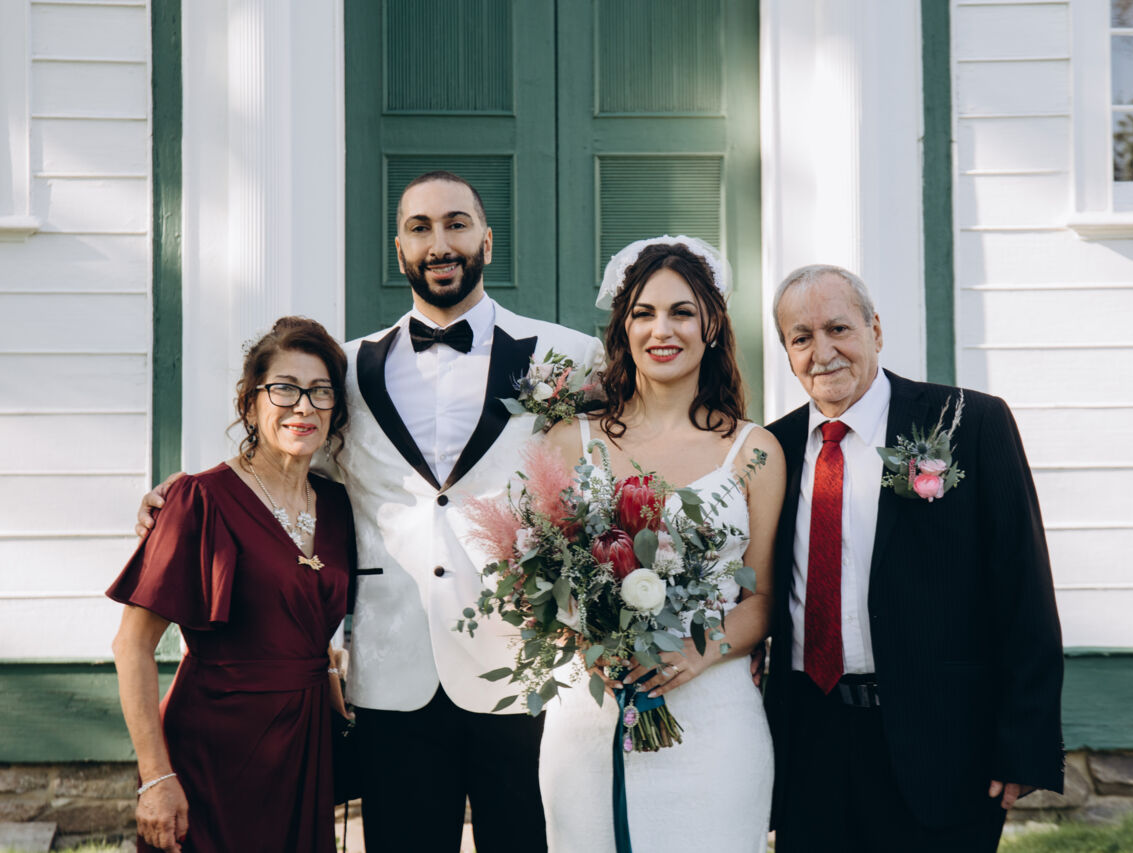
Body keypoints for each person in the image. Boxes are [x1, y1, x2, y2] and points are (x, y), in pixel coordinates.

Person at [137, 172, 604, 852]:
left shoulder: (569, 357)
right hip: (392, 676)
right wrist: (181, 491)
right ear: (399, 248)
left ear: (486, 241)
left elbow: (625, 461)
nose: (439, 243)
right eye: (420, 228)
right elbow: (284, 462)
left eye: (456, 224)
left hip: (523, 673)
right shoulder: (346, 372)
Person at [763, 265, 1065, 853]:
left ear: (875, 330)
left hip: (943, 742)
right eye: (801, 338)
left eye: (838, 329)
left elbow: (1023, 588)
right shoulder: (772, 448)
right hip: (809, 740)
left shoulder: (968, 423)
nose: (822, 352)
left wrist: (1024, 742)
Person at [539, 236, 786, 853]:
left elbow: (762, 600)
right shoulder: (570, 441)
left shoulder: (755, 451)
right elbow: (541, 579)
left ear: (711, 325)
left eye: (681, 312)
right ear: (623, 328)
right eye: (643, 313)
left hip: (714, 715)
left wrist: (699, 652)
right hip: (592, 718)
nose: (661, 330)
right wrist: (588, 640)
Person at [109, 317, 355, 853]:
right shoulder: (198, 500)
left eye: (320, 392)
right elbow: (131, 645)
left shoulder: (339, 506)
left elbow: (311, 629)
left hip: (305, 748)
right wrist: (156, 778)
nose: (303, 407)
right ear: (249, 403)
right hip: (213, 749)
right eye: (284, 389)